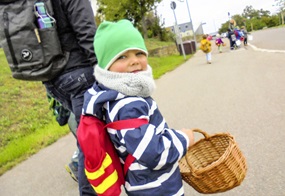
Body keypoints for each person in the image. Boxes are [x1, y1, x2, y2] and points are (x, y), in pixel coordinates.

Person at [81, 19, 195, 196]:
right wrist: (184, 138)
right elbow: (152, 152)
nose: (134, 61)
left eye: (139, 53)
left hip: (144, 183)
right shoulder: (128, 104)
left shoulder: (119, 95)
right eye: (122, 56)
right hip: (155, 187)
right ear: (106, 66)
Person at [42, 0, 97, 195]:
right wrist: (102, 71)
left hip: (52, 78)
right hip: (78, 73)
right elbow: (87, 31)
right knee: (92, 145)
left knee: (88, 137)